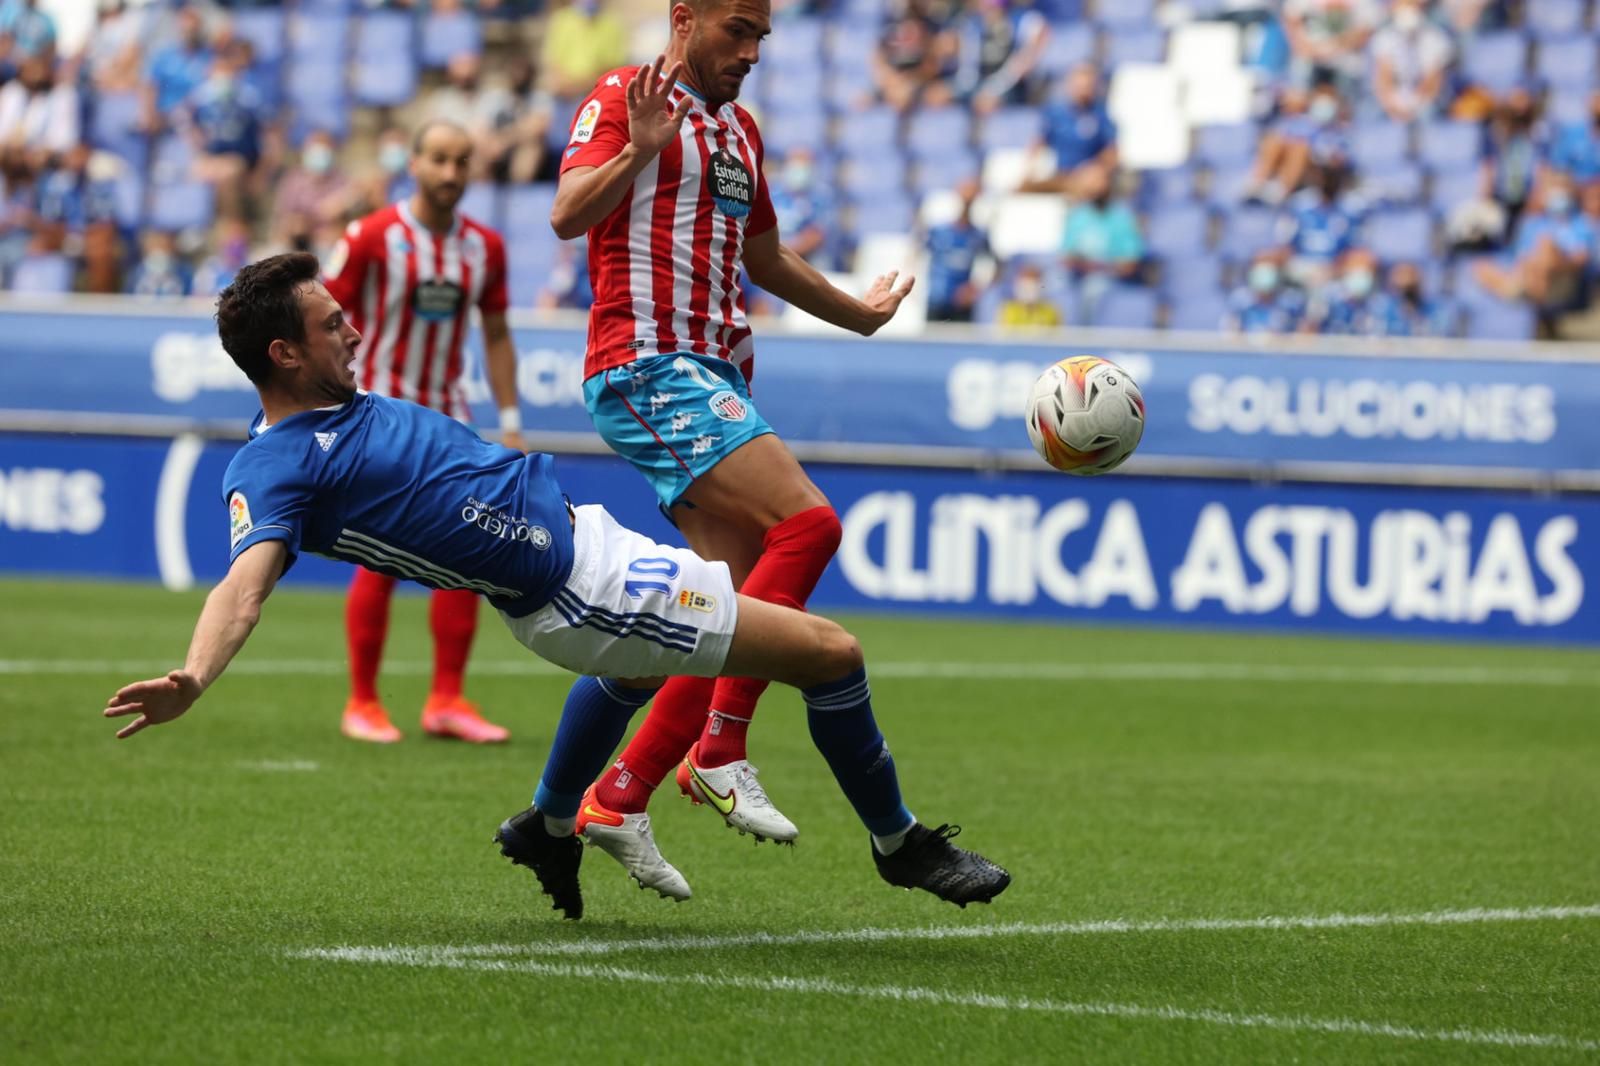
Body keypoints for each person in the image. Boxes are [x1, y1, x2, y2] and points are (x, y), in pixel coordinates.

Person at [101, 252, 1011, 922]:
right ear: (284, 354)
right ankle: (902, 846)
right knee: (831, 654)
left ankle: (548, 822)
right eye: (333, 323)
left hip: (583, 548)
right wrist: (193, 675)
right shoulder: (273, 468)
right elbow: (242, 586)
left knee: (640, 672)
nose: (356, 330)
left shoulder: (340, 407)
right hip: (579, 589)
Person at [551, 7, 916, 893]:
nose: (751, 55)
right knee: (811, 527)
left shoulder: (740, 131)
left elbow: (768, 258)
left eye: (762, 39)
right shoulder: (621, 97)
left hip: (713, 374)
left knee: (711, 609)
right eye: (737, 31)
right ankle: (720, 746)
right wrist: (638, 147)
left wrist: (857, 315)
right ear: (686, 19)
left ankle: (615, 797)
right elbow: (567, 216)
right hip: (647, 364)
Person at [319, 121, 525, 745]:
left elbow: (494, 334)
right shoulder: (372, 237)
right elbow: (322, 320)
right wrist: (330, 406)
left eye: (462, 162)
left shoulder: (484, 247)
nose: (450, 174)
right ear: (413, 163)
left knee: (465, 559)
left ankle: (447, 700)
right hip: (378, 418)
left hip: (449, 420)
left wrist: (511, 420)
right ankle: (361, 701)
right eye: (438, 159)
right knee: (379, 556)